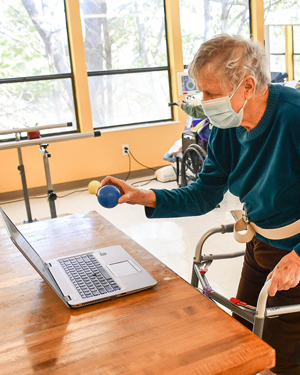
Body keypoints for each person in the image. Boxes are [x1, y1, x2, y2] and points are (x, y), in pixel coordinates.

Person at [98, 34, 300, 375]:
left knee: (284, 358)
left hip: (294, 251)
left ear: (248, 86)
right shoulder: (227, 126)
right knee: (245, 339)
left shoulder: (293, 118)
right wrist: (146, 196)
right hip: (261, 244)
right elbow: (205, 193)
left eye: (210, 93)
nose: (203, 102)